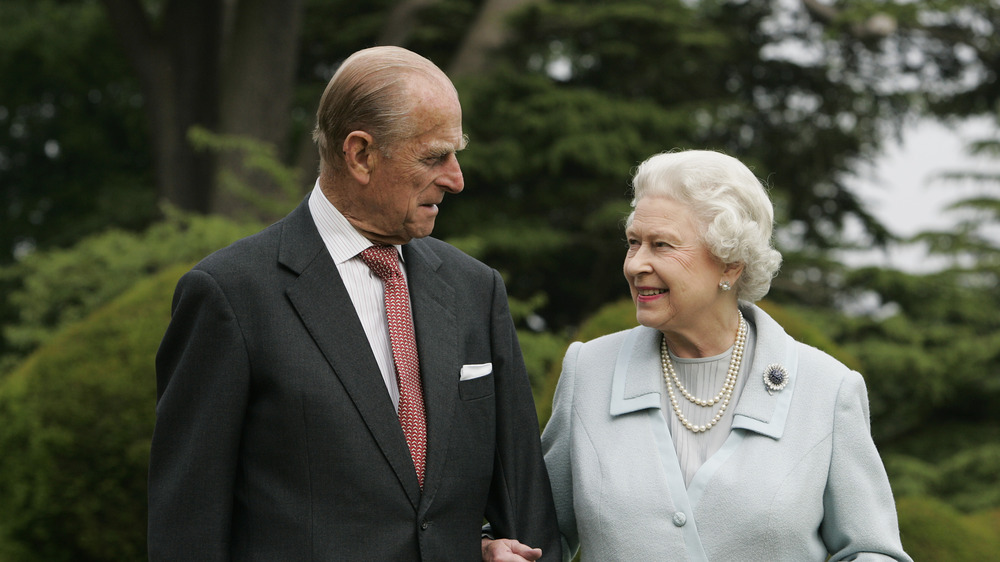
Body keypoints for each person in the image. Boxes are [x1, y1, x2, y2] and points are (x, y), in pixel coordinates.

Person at [149, 46, 560, 561]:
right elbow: (188, 530)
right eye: (435, 156)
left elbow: (525, 506)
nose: (456, 178)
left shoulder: (475, 289)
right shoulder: (229, 295)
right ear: (361, 154)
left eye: (457, 154)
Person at [484, 149, 911, 561]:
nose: (636, 265)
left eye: (662, 245)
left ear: (730, 264)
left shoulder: (827, 389)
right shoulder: (589, 371)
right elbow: (537, 532)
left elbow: (872, 551)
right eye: (634, 242)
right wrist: (493, 548)